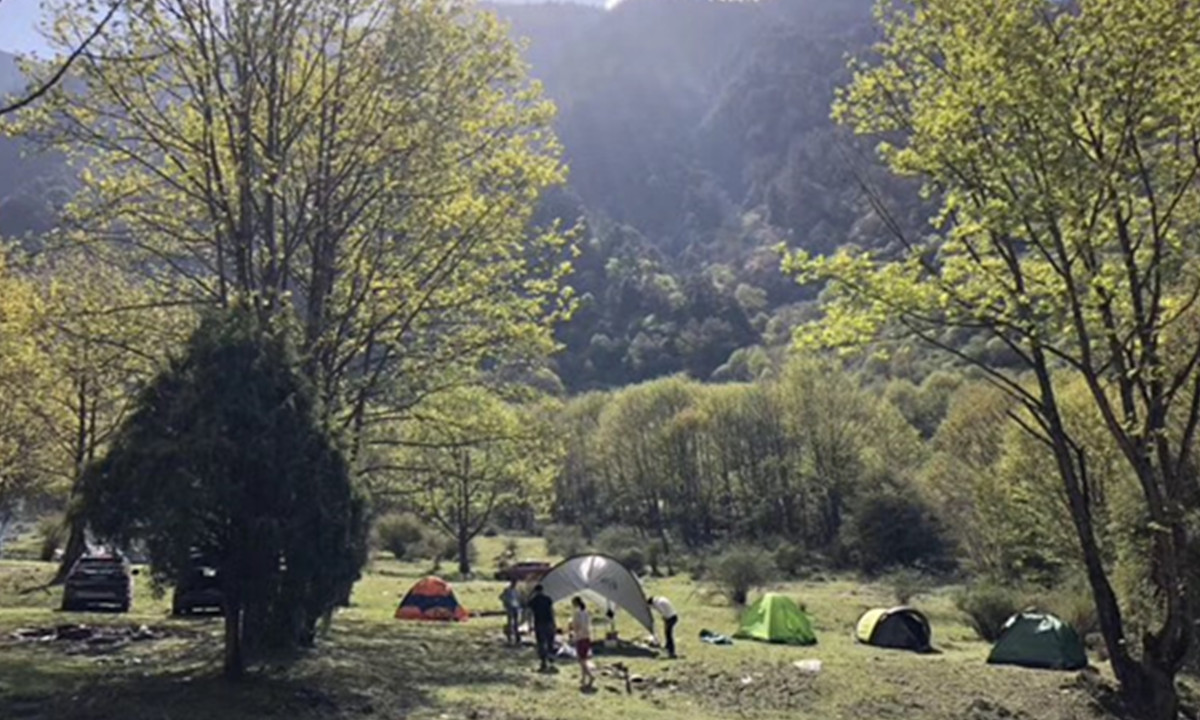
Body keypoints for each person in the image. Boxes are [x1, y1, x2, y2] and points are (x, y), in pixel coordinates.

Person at [569, 596, 596, 691]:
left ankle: (590, 676)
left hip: (580, 637)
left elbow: (576, 626)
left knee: (581, 660)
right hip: (587, 636)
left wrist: (572, 634)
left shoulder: (576, 613)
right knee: (584, 658)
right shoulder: (586, 612)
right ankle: (583, 678)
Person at [527, 584, 556, 671]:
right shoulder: (548, 599)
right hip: (549, 622)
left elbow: (529, 613)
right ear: (543, 590)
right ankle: (551, 660)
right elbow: (552, 611)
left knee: (541, 643)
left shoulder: (533, 601)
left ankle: (543, 663)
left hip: (539, 623)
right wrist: (554, 623)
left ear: (535, 591)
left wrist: (529, 625)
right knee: (550, 642)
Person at [499, 579, 522, 645]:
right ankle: (509, 636)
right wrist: (506, 603)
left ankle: (517, 636)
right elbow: (501, 597)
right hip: (510, 607)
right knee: (510, 621)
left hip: (516, 607)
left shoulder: (517, 591)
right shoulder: (507, 590)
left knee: (516, 622)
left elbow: (519, 598)